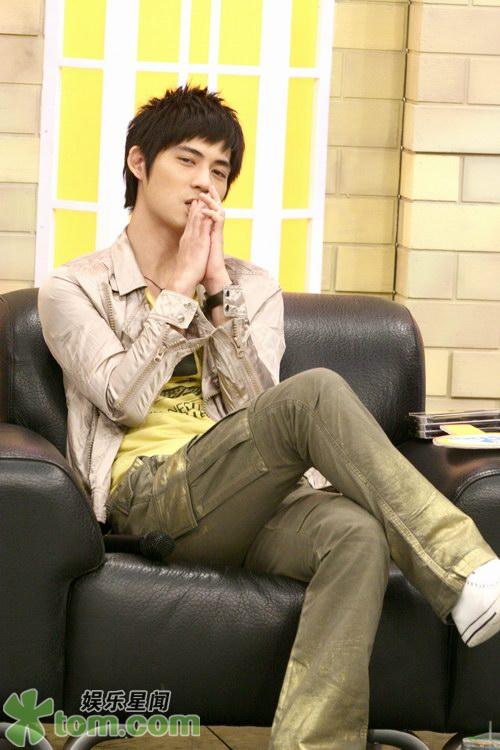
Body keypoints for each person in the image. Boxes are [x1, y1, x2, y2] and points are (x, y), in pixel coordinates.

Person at [38, 83, 500, 750]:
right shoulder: (73, 288)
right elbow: (121, 398)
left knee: (356, 536)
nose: (204, 183)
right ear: (139, 163)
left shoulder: (249, 288)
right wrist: (176, 293)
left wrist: (216, 294)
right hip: (150, 495)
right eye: (187, 161)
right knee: (314, 392)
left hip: (246, 497)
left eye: (219, 171)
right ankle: (462, 568)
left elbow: (261, 414)